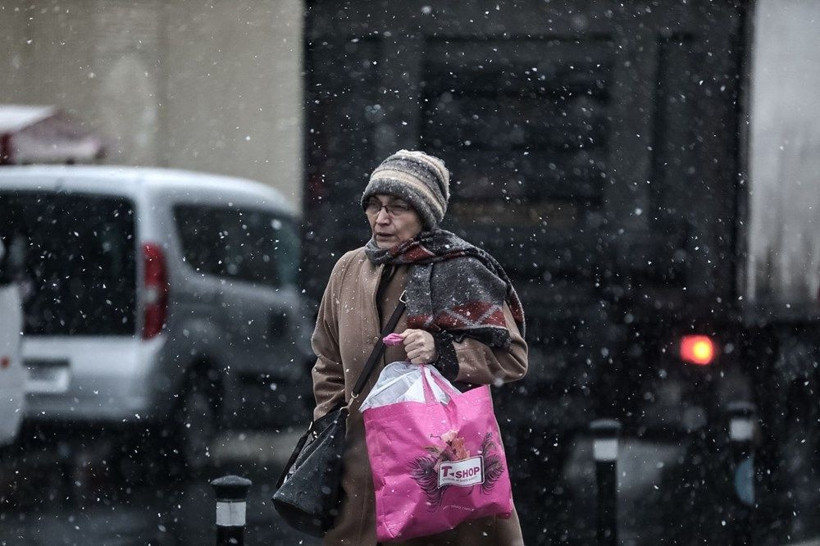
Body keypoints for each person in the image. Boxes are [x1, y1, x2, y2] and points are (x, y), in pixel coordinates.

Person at [311, 150, 528, 545]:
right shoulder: (348, 269)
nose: (381, 218)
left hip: (439, 467)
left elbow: (511, 357)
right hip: (358, 470)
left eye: (397, 207)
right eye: (374, 205)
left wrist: (442, 351)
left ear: (424, 214)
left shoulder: (459, 269)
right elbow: (327, 359)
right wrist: (331, 424)